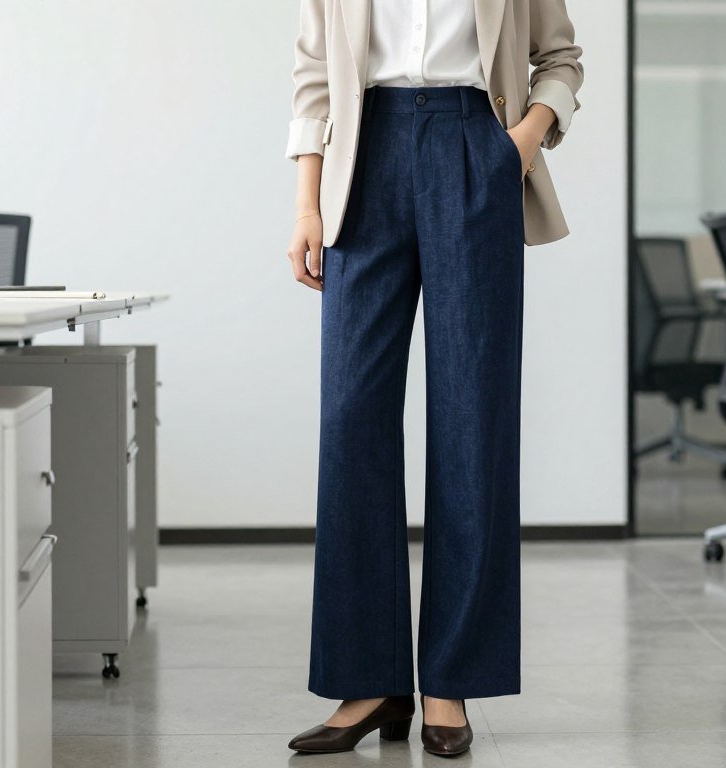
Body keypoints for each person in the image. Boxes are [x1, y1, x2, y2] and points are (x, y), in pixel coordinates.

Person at [283, 0, 583, 757]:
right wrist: (306, 205)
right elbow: (314, 75)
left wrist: (517, 144)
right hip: (364, 156)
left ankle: (451, 679)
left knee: (472, 420)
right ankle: (371, 681)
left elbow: (561, 60)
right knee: (350, 418)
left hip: (473, 144)